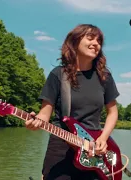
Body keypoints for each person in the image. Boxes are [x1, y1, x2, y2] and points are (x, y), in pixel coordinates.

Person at [25, 24, 120, 180]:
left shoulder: (104, 77)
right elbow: (44, 113)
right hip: (61, 148)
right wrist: (35, 122)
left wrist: (103, 138)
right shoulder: (58, 75)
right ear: (75, 42)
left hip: (94, 150)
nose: (96, 43)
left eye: (99, 41)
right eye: (90, 38)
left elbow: (113, 112)